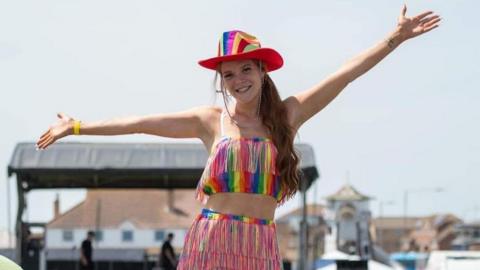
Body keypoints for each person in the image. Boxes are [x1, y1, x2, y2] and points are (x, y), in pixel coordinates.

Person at [37, 5, 440, 269]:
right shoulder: (209, 121)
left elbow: (346, 74)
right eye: (228, 75)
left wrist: (394, 39)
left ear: (263, 72)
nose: (237, 80)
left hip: (260, 241)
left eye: (245, 70)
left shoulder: (288, 115)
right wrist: (76, 126)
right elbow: (139, 122)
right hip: (211, 237)